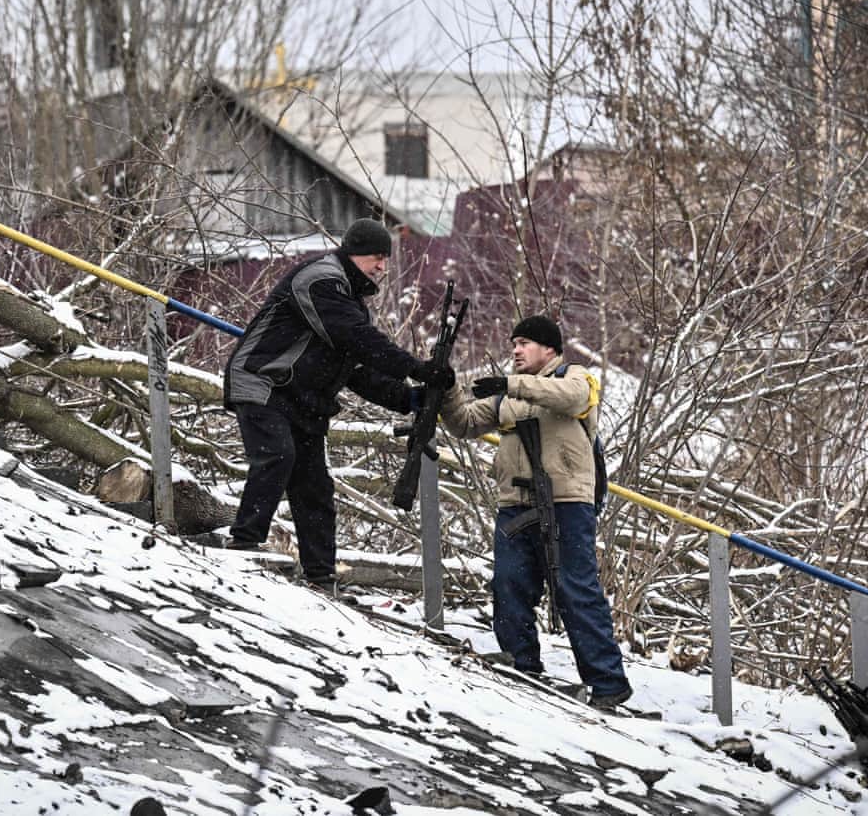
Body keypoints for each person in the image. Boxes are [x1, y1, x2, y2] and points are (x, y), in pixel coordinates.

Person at [222, 218, 453, 589]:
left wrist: (409, 397)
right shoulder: (321, 281)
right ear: (354, 253)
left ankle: (321, 578)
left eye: (386, 259)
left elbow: (358, 371)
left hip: (305, 401)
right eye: (377, 257)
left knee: (315, 487)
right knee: (277, 455)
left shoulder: (351, 303)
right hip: (264, 382)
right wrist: (415, 367)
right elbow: (357, 339)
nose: (383, 266)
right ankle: (244, 545)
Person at [439, 315, 632, 709]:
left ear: (549, 349)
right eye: (513, 343)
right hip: (515, 505)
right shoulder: (508, 397)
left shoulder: (576, 377)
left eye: (524, 342)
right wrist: (445, 389)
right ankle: (520, 664)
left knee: (575, 589)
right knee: (509, 584)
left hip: (566, 503)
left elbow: (571, 398)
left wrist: (512, 384)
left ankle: (608, 683)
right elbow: (464, 422)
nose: (515, 349)